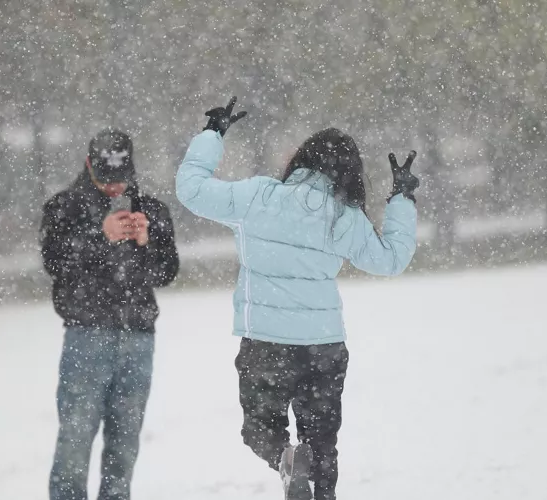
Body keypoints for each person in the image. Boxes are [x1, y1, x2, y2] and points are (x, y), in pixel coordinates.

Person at [175, 97, 420, 500]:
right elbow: (391, 259)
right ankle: (314, 484)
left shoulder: (257, 196)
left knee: (259, 431)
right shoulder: (345, 217)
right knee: (322, 445)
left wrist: (211, 134)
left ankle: (285, 458)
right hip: (323, 346)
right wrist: (402, 198)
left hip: (266, 344)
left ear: (302, 159)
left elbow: (191, 189)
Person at [41, 128, 180, 500]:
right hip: (86, 335)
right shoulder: (63, 209)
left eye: (121, 180)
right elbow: (54, 261)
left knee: (125, 444)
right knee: (75, 439)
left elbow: (166, 273)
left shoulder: (149, 210)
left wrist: (146, 243)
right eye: (106, 180)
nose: (115, 189)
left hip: (137, 337)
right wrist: (97, 235)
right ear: (89, 166)